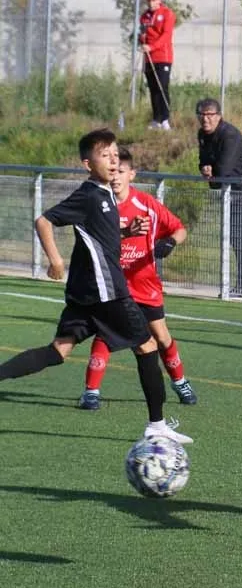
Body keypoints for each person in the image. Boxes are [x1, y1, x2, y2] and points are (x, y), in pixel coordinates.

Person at [0, 129, 192, 444]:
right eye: (105, 155)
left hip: (85, 294)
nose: (113, 160)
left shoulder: (104, 194)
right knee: (147, 346)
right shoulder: (90, 194)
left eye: (115, 154)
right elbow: (43, 221)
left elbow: (98, 236)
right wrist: (55, 260)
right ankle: (156, 425)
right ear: (88, 164)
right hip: (107, 292)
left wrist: (127, 231)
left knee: (59, 350)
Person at [78, 147, 198, 411]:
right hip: (114, 286)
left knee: (162, 337)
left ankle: (180, 382)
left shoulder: (146, 204)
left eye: (120, 171)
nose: (115, 176)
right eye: (112, 171)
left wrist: (169, 242)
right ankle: (91, 392)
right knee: (105, 335)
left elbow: (179, 229)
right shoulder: (99, 205)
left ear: (131, 174)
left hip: (145, 286)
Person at [196, 97, 242, 294]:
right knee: (233, 236)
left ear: (219, 116)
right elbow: (203, 161)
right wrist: (206, 169)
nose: (205, 119)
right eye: (202, 115)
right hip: (228, 189)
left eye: (210, 115)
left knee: (237, 235)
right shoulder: (202, 134)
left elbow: (224, 169)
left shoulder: (230, 135)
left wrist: (212, 172)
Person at [138, 0, 175, 131]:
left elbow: (166, 35)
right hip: (149, 58)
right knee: (153, 88)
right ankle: (156, 119)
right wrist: (142, 39)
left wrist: (152, 47)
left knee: (162, 87)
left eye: (153, 0)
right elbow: (143, 37)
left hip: (163, 57)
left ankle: (165, 119)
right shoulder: (144, 16)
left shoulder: (167, 13)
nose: (150, 3)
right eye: (148, 0)